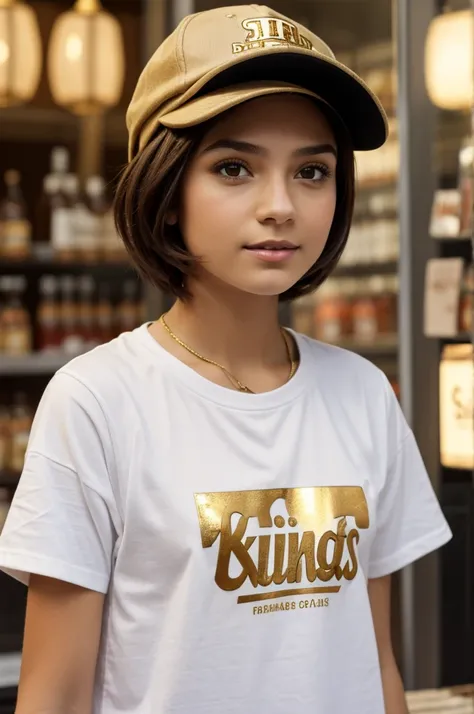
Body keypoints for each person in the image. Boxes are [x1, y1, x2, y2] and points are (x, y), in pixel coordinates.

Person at [0, 5, 451, 714]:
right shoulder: (96, 402)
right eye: (234, 167)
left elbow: (376, 664)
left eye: (312, 171)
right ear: (168, 187)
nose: (280, 206)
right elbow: (53, 696)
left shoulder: (364, 393)